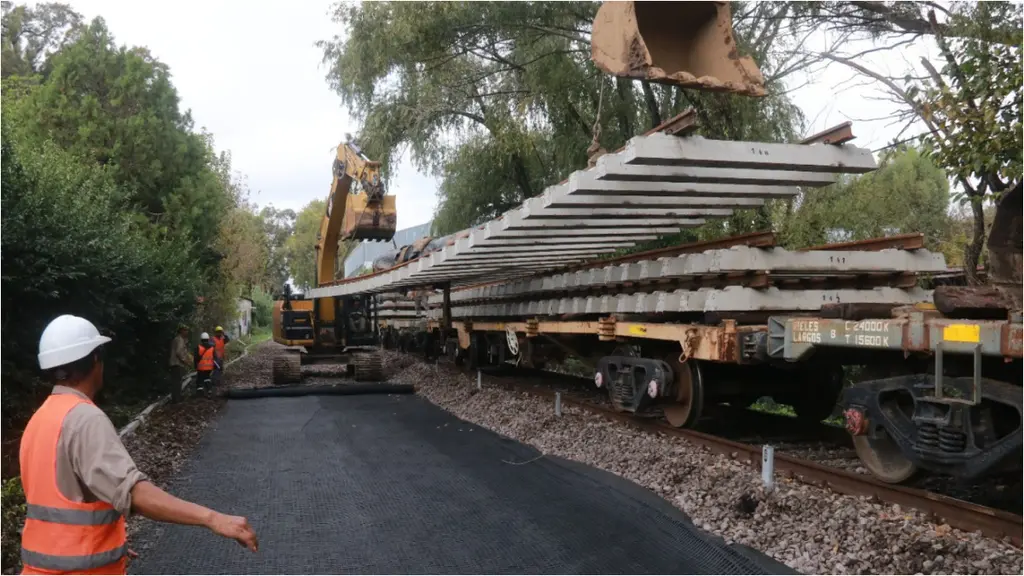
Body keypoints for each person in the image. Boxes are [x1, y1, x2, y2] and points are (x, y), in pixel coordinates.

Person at [20, 315, 258, 575]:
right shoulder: (84, 419)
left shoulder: (39, 420)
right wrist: (214, 519)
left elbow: (67, 501)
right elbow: (135, 494)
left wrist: (109, 543)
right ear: (96, 360)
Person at [168, 325, 191, 403]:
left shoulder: (178, 339)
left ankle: (175, 398)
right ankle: (177, 399)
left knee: (175, 382)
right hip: (177, 363)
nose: (187, 332)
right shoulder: (179, 340)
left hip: (174, 364)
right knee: (178, 382)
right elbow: (179, 352)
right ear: (181, 331)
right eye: (185, 330)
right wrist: (185, 361)